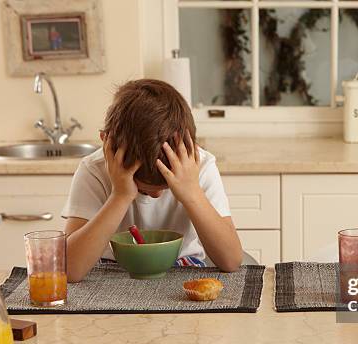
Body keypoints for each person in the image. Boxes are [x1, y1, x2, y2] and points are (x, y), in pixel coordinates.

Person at [62, 79, 243, 282]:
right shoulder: (94, 170)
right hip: (110, 274)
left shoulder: (200, 167)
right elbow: (69, 270)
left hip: (184, 270)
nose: (156, 195)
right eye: (144, 190)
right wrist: (120, 195)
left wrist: (192, 193)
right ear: (108, 144)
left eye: (164, 188)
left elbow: (231, 260)